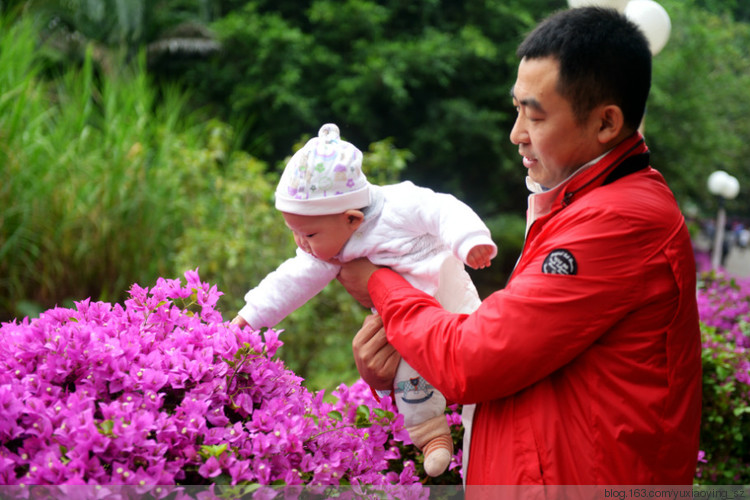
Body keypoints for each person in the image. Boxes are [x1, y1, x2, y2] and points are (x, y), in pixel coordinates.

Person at [338, 6, 702, 487]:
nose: (516, 135)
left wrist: (379, 283)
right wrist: (404, 357)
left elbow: (474, 359)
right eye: (516, 110)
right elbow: (521, 357)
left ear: (606, 124)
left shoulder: (619, 221)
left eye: (535, 116)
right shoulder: (580, 204)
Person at [232, 123, 497, 477]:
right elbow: (289, 280)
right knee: (408, 375)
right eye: (293, 232)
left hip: (446, 289)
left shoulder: (400, 203)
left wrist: (470, 240)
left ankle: (487, 419)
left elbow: (443, 210)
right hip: (403, 322)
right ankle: (432, 435)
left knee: (480, 351)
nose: (301, 244)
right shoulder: (330, 246)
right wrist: (248, 319)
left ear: (352, 218)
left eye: (307, 234)